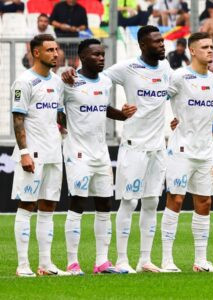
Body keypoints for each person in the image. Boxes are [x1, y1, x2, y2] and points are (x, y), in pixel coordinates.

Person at [62, 25, 172, 273]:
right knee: (129, 201)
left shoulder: (166, 68)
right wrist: (69, 74)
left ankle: (144, 260)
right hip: (132, 145)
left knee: (153, 200)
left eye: (163, 41)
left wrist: (180, 117)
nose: (162, 45)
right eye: (157, 42)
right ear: (143, 45)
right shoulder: (124, 69)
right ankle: (121, 259)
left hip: (157, 145)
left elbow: (177, 90)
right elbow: (92, 82)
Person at [58, 39, 137, 275]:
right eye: (95, 55)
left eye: (102, 55)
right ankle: (72, 262)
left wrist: (121, 116)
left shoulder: (104, 82)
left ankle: (102, 262)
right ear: (82, 58)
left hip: (101, 152)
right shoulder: (69, 81)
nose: (101, 58)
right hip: (77, 152)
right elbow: (57, 111)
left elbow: (101, 108)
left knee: (104, 203)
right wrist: (60, 124)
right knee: (79, 202)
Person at [159, 32, 213, 273]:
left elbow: (212, 111)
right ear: (192, 51)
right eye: (204, 47)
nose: (210, 50)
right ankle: (166, 260)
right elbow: (158, 101)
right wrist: (173, 121)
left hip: (205, 151)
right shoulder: (179, 77)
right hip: (181, 149)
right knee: (175, 199)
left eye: (212, 46)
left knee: (204, 202)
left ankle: (201, 261)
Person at [11, 34, 68, 277]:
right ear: (36, 53)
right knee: (27, 204)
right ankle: (23, 264)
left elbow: (59, 114)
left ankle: (45, 265)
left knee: (48, 206)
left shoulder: (57, 82)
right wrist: (24, 153)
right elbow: (18, 118)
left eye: (56, 49)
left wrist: (63, 128)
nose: (56, 54)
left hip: (54, 151)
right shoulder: (23, 82)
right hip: (32, 153)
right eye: (50, 50)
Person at [49, 0, 88, 69]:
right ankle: (54, 77)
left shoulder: (81, 9)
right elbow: (51, 21)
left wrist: (76, 29)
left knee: (73, 63)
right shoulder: (59, 6)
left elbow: (85, 26)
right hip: (59, 38)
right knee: (57, 59)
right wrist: (61, 26)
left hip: (74, 39)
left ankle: (72, 78)